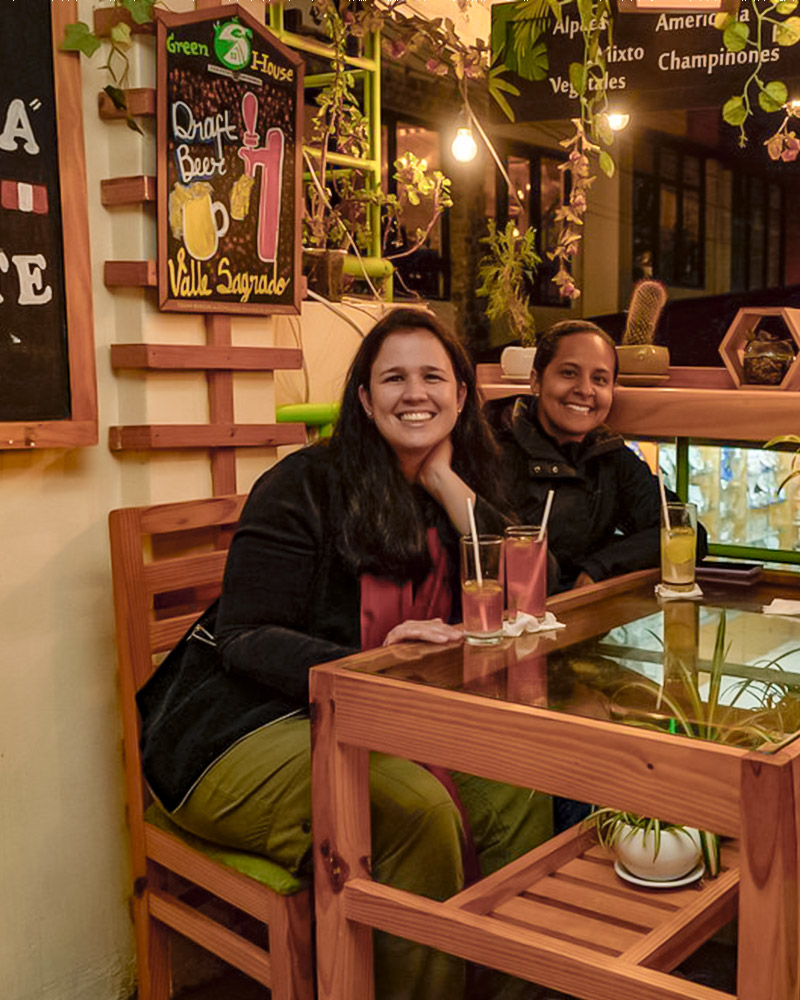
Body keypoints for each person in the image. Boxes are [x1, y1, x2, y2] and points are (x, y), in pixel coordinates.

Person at [136, 308, 551, 1000]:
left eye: (431, 378)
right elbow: (246, 635)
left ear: (459, 396)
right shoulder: (304, 484)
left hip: (377, 716)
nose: (413, 394)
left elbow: (530, 590)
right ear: (364, 398)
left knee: (520, 780)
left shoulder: (458, 487)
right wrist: (367, 654)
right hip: (241, 727)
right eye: (392, 378)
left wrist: (448, 486)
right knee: (412, 811)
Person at [489, 319, 706, 594]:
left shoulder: (608, 454)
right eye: (569, 373)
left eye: (600, 379)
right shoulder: (492, 448)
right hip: (507, 620)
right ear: (536, 380)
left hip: (582, 616)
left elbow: (688, 534)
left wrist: (599, 568)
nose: (585, 390)